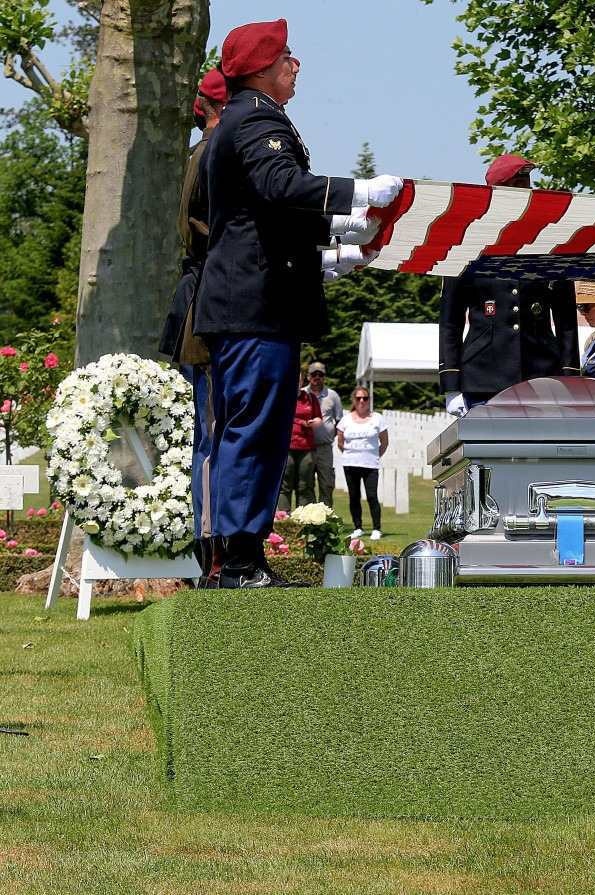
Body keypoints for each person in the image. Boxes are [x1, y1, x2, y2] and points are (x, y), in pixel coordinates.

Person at [194, 18, 404, 588]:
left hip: (257, 303)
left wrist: (337, 244)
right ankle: (236, 559)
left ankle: (242, 556)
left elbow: (269, 222)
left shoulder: (244, 119)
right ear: (262, 67)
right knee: (253, 433)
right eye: (286, 55)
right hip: (253, 308)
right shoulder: (257, 118)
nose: (296, 63)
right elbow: (281, 187)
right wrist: (357, 191)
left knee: (255, 430)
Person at [438, 155, 579, 416]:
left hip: (541, 373)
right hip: (484, 375)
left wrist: (570, 375)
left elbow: (566, 318)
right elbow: (450, 320)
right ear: (498, 192)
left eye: (526, 181)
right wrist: (451, 384)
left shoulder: (549, 242)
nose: (527, 189)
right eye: (518, 183)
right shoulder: (468, 244)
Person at [157, 67, 226, 584]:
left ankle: (216, 545)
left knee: (217, 430)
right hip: (206, 305)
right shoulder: (210, 156)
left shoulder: (207, 152)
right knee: (211, 435)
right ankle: (210, 550)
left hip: (207, 296)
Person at [337, 386, 389, 541]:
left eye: (365, 398)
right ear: (353, 400)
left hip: (370, 464)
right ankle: (357, 527)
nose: (361, 401)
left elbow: (384, 442)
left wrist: (373, 455)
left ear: (369, 400)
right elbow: (340, 442)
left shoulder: (377, 418)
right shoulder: (345, 420)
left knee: (372, 496)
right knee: (354, 496)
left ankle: (376, 528)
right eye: (358, 398)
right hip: (350, 463)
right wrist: (351, 455)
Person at [278, 370, 323, 511]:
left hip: (306, 447)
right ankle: (284, 521)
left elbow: (318, 418)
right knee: (285, 485)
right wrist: (298, 422)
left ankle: (303, 521)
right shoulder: (281, 398)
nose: (296, 383)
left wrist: (314, 422)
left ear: (302, 381)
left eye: (298, 380)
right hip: (287, 446)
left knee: (305, 485)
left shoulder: (310, 398)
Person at [304, 361, 342, 506]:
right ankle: (308, 520)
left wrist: (330, 435)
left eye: (320, 375)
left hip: (324, 447)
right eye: (314, 374)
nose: (317, 377)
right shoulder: (301, 394)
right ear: (308, 376)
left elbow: (339, 420)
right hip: (305, 447)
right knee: (306, 485)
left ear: (324, 377)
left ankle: (325, 521)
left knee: (326, 484)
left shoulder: (332, 396)